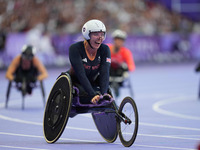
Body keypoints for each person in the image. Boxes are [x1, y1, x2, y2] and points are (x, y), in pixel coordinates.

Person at [68, 19, 111, 104]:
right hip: (75, 83)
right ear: (87, 35)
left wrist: (104, 94)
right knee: (84, 94)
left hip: (92, 82)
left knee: (107, 96)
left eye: (102, 34)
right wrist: (92, 95)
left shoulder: (105, 49)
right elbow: (80, 73)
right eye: (96, 34)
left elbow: (104, 73)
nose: (100, 38)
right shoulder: (75, 48)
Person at [108, 29, 135, 97]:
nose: (119, 42)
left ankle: (116, 85)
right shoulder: (107, 48)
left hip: (119, 75)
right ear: (114, 40)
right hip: (108, 73)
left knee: (123, 66)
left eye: (121, 40)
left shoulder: (126, 52)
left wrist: (126, 66)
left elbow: (131, 66)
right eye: (118, 40)